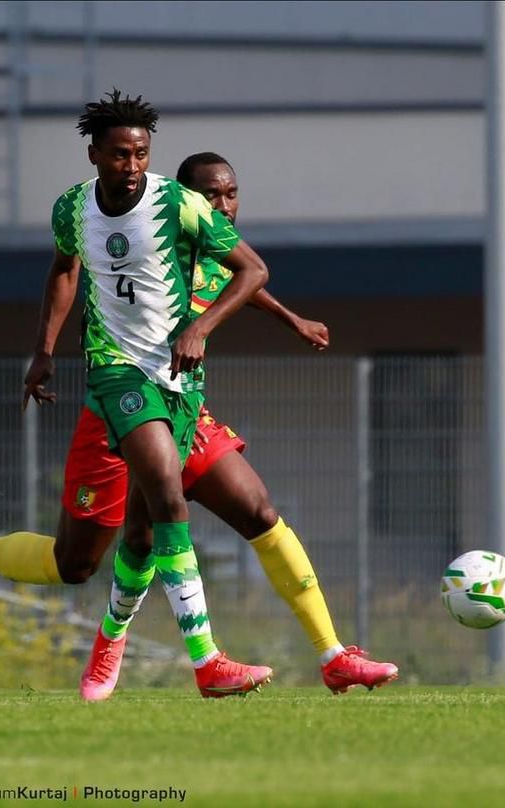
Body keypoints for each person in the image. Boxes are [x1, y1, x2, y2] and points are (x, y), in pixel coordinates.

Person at [0, 89, 275, 697]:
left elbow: (253, 270)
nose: (131, 166)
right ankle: (208, 662)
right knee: (164, 492)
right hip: (115, 373)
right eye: (119, 155)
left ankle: (87, 635)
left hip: (177, 382)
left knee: (90, 556)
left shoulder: (178, 205)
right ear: (94, 154)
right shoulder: (73, 209)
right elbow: (63, 269)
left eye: (140, 154)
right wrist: (46, 351)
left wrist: (200, 328)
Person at [78, 153, 398, 700]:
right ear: (182, 200)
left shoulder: (216, 248)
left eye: (231, 193)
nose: (223, 206)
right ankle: (114, 641)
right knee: (84, 555)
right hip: (127, 404)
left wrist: (290, 319)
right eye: (211, 196)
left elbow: (243, 280)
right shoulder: (154, 243)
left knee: (259, 512)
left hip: (187, 410)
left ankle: (333, 655)